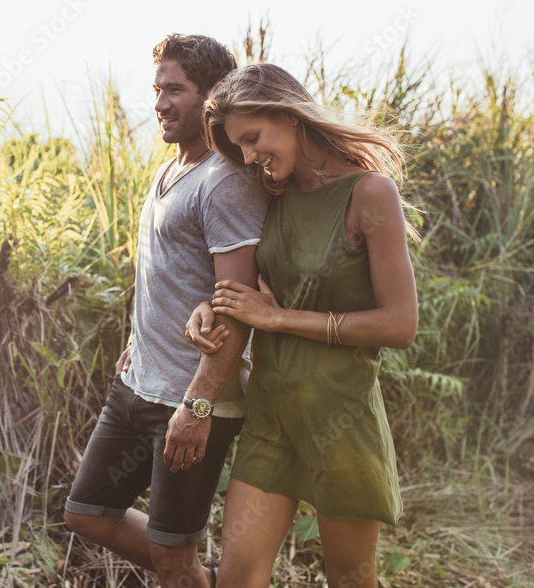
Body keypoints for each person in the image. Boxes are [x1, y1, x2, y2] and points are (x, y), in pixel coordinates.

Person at [184, 62, 418, 587]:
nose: (248, 157)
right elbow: (257, 285)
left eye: (252, 138)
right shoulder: (272, 192)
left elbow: (400, 325)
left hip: (341, 413)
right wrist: (213, 305)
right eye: (237, 147)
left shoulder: (369, 194)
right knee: (238, 576)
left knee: (350, 579)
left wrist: (278, 318)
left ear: (289, 115)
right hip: (272, 411)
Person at [64, 35, 269, 587]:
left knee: (173, 557)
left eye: (174, 90)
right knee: (86, 512)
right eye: (157, 89)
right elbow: (168, 272)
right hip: (136, 385)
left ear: (212, 96)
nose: (159, 103)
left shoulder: (225, 182)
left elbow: (237, 303)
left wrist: (198, 407)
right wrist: (140, 335)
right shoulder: (172, 169)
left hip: (192, 401)